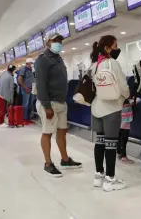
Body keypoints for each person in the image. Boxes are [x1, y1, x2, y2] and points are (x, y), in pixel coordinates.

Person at [35, 33, 82, 178]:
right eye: (56, 40)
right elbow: (41, 84)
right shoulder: (43, 60)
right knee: (47, 132)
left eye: (60, 40)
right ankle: (48, 164)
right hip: (49, 103)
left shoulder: (59, 59)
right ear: (48, 42)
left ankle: (65, 160)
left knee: (62, 131)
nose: (59, 43)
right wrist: (46, 106)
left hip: (61, 102)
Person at [90, 35, 129, 192]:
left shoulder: (94, 65)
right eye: (115, 46)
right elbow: (123, 86)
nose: (116, 49)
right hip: (111, 108)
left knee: (99, 142)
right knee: (111, 143)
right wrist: (126, 95)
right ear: (107, 48)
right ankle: (110, 179)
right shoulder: (112, 63)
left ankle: (99, 176)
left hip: (96, 108)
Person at [18, 58, 35, 125]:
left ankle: (28, 118)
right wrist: (25, 87)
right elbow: (20, 79)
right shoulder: (23, 69)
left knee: (30, 104)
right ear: (27, 63)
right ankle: (24, 119)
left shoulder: (31, 70)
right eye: (31, 63)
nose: (32, 65)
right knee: (25, 104)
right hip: (26, 89)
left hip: (31, 89)